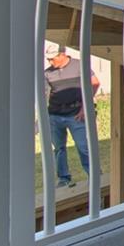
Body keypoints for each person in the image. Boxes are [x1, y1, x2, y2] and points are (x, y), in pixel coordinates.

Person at [44, 46, 98, 188]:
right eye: (48, 59)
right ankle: (63, 178)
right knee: (58, 148)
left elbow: (94, 83)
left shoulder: (79, 65)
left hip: (76, 114)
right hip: (55, 115)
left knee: (83, 146)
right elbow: (44, 94)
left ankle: (94, 176)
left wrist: (85, 108)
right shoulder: (47, 73)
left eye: (52, 59)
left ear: (62, 54)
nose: (50, 62)